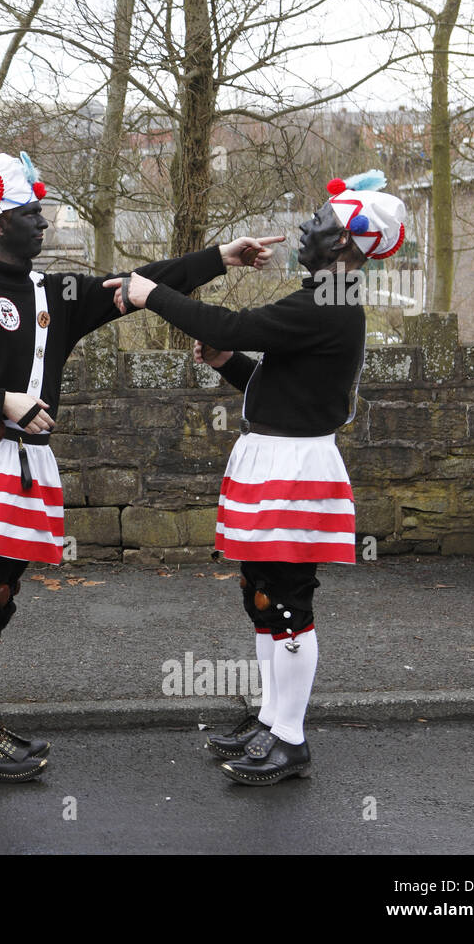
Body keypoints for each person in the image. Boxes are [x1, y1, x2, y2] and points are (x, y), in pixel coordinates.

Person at [0, 151, 277, 781]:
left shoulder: (52, 293)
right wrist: (4, 401)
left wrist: (221, 257)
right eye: (30, 213)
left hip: (26, 468)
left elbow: (138, 282)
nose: (43, 221)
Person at [106, 169, 407, 785]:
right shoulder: (326, 299)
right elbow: (275, 388)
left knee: (289, 601)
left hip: (295, 470)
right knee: (263, 595)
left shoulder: (328, 301)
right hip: (278, 459)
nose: (305, 226)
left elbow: (229, 325)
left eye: (320, 220)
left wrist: (149, 292)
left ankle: (290, 739)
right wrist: (227, 364)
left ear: (346, 240)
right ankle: (273, 719)